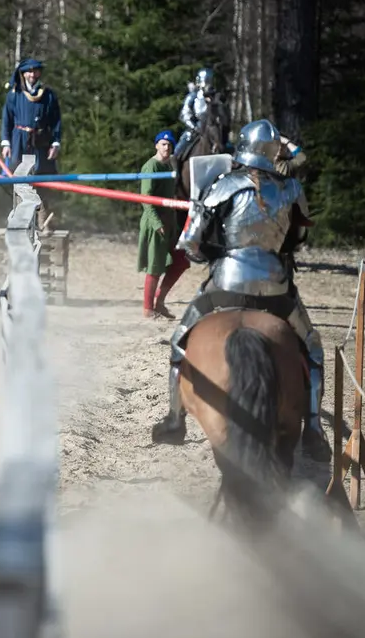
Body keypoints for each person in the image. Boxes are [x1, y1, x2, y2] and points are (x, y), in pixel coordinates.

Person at [150, 118, 332, 463]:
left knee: (179, 341)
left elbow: (190, 242)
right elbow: (299, 239)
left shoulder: (223, 184)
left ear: (243, 147)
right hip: (276, 285)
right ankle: (313, 430)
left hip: (227, 282)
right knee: (312, 348)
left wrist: (210, 253)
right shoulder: (290, 188)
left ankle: (175, 420)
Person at [0, 58, 62, 227]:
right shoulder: (15, 94)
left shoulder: (48, 95)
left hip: (41, 142)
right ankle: (20, 217)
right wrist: (6, 143)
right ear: (23, 74)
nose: (32, 74)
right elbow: (7, 119)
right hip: (19, 141)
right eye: (29, 71)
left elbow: (56, 121)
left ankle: (43, 218)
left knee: (41, 176)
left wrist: (55, 143)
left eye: (35, 71)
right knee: (19, 177)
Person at [137, 130, 191, 319]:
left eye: (169, 145)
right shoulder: (151, 167)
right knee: (155, 265)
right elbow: (146, 199)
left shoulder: (169, 166)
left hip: (170, 221)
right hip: (156, 223)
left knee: (181, 261)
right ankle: (147, 309)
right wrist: (157, 223)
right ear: (156, 145)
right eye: (163, 144)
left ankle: (159, 302)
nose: (167, 148)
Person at [173, 67, 232, 162]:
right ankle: (178, 175)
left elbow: (223, 114)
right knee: (177, 152)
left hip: (214, 129)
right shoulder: (193, 96)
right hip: (195, 129)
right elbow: (185, 114)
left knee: (230, 150)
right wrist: (195, 127)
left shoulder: (216, 97)